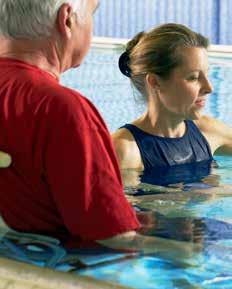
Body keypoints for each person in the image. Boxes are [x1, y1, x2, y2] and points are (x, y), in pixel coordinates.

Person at [0, 1, 199, 260]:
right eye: (92, 15)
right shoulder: (61, 108)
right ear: (67, 19)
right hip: (56, 267)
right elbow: (112, 237)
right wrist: (191, 252)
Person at [113, 23, 232, 178]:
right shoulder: (125, 150)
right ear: (155, 82)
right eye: (194, 78)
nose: (209, 88)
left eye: (207, 75)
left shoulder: (207, 130)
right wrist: (209, 192)